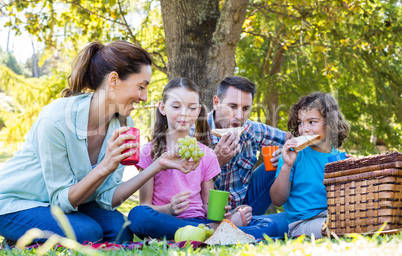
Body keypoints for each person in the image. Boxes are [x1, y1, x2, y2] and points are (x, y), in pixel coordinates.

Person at [0, 41, 198, 245]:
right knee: (87, 232)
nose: (144, 97)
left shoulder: (123, 122)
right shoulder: (56, 119)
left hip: (71, 205)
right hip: (18, 203)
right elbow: (60, 201)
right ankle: (16, 239)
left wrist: (159, 164)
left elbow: (106, 198)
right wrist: (105, 166)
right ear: (114, 80)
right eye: (141, 87)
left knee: (120, 230)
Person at [128, 78, 253, 240]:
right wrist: (169, 209)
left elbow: (207, 206)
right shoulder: (148, 152)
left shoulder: (206, 154)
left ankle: (199, 233)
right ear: (162, 108)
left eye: (192, 108)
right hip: (166, 219)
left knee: (272, 224)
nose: (184, 113)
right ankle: (213, 232)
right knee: (137, 215)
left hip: (197, 220)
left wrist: (220, 210)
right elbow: (145, 206)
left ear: (199, 110)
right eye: (176, 106)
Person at [193, 76, 292, 237]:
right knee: (280, 225)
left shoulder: (252, 130)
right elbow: (181, 185)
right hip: (205, 214)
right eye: (232, 106)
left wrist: (286, 150)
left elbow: (292, 138)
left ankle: (246, 226)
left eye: (246, 108)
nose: (239, 116)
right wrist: (214, 161)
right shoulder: (195, 132)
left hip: (245, 208)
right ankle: (242, 228)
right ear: (216, 103)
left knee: (280, 161)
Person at [270, 92, 350, 238]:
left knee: (354, 220)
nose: (304, 129)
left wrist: (355, 170)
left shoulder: (340, 158)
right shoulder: (292, 155)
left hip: (333, 216)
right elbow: (277, 199)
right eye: (300, 123)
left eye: (311, 122)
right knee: (337, 226)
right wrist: (287, 166)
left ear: (330, 124)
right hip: (302, 223)